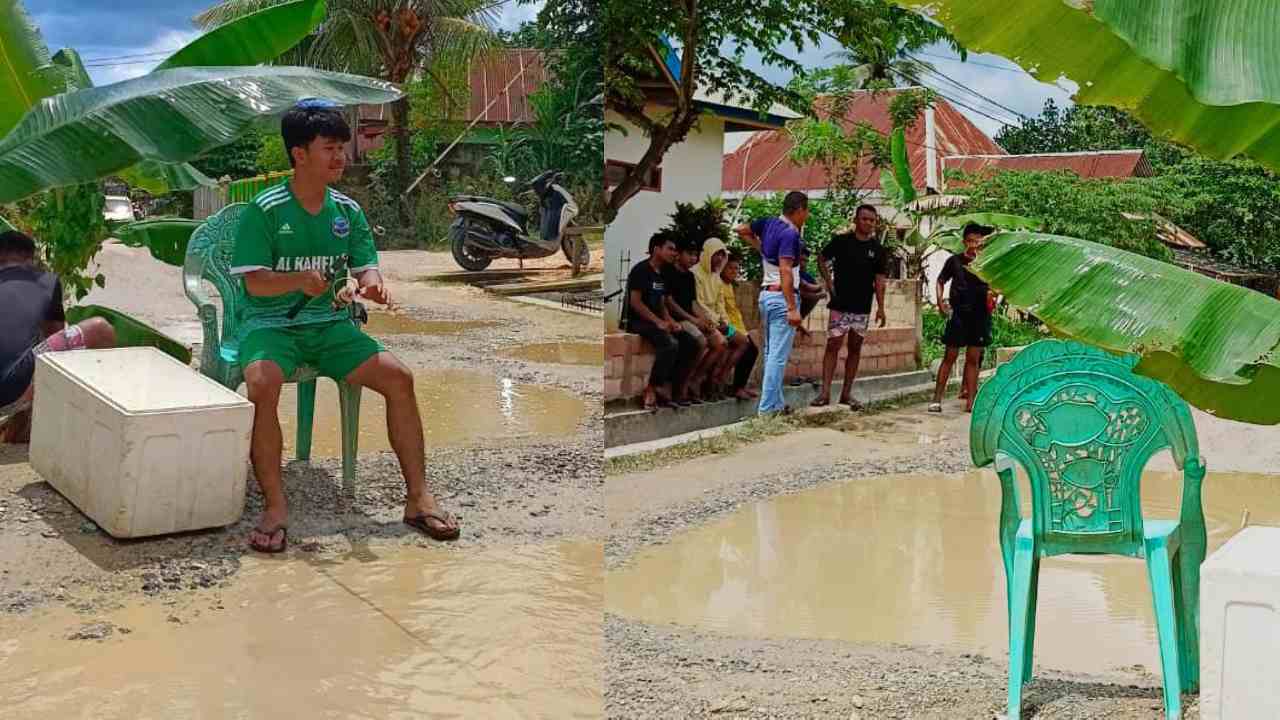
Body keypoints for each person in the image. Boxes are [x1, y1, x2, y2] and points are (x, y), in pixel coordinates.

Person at [231, 99, 458, 553]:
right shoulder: (265, 210)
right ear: (299, 154)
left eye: (342, 148)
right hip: (271, 326)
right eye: (329, 148)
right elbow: (254, 284)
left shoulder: (347, 212)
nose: (341, 157)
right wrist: (299, 280)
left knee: (400, 378)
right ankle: (276, 507)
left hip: (332, 327)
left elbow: (365, 268)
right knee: (261, 382)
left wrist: (371, 287)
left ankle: (417, 498)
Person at [0, 230, 116, 443]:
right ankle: (40, 413)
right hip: (10, 390)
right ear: (30, 258)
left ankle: (23, 416)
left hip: (12, 386)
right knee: (100, 329)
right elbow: (57, 348)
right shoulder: (45, 281)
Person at [735, 191, 809, 415]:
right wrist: (792, 308)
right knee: (777, 356)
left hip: (766, 297)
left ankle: (775, 404)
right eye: (806, 212)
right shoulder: (789, 234)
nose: (806, 216)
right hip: (780, 297)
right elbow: (786, 269)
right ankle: (767, 409)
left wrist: (762, 250)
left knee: (770, 354)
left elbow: (740, 229)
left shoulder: (768, 224)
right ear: (798, 211)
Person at [814, 204, 889, 409]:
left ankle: (846, 394)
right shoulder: (841, 242)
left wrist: (881, 308)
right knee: (833, 346)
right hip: (839, 305)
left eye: (872, 220)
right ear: (856, 220)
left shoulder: (878, 250)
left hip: (862, 308)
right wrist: (829, 284)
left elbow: (880, 281)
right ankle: (825, 393)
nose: (868, 223)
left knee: (855, 349)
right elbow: (821, 258)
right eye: (864, 219)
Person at [624, 233, 696, 410]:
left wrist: (670, 320)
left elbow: (662, 303)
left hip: (656, 321)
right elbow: (636, 302)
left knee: (690, 343)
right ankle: (651, 388)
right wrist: (657, 322)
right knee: (669, 344)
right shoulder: (641, 270)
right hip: (638, 321)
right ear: (656, 249)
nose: (674, 253)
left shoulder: (663, 273)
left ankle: (672, 388)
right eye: (670, 249)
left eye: (675, 250)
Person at [930, 222, 995, 414]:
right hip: (958, 315)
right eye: (971, 241)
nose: (974, 244)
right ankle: (936, 399)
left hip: (980, 316)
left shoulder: (986, 263)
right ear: (965, 241)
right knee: (949, 356)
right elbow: (940, 281)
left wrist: (993, 295)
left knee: (973, 359)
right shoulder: (954, 261)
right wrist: (940, 302)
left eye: (978, 241)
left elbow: (996, 285)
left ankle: (971, 402)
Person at [662, 242, 724, 404]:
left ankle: (697, 381)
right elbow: (669, 302)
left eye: (696, 255)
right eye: (689, 254)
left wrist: (706, 319)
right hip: (678, 319)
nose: (693, 258)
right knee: (701, 342)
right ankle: (681, 387)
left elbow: (694, 303)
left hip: (701, 320)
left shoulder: (692, 276)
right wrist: (696, 320)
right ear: (679, 254)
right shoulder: (670, 272)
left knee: (723, 341)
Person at [693, 238, 749, 400]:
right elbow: (699, 303)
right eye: (716, 254)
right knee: (723, 343)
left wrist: (725, 322)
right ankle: (700, 380)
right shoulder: (695, 274)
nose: (718, 258)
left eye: (721, 255)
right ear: (708, 253)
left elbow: (720, 305)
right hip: (704, 321)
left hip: (719, 323)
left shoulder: (715, 276)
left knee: (742, 340)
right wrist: (717, 322)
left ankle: (719, 379)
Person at [719, 251, 759, 400]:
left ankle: (739, 387)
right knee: (748, 347)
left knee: (752, 350)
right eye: (730, 268)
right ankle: (730, 384)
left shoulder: (729, 286)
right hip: (725, 327)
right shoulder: (719, 284)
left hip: (738, 327)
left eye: (736, 269)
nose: (734, 272)